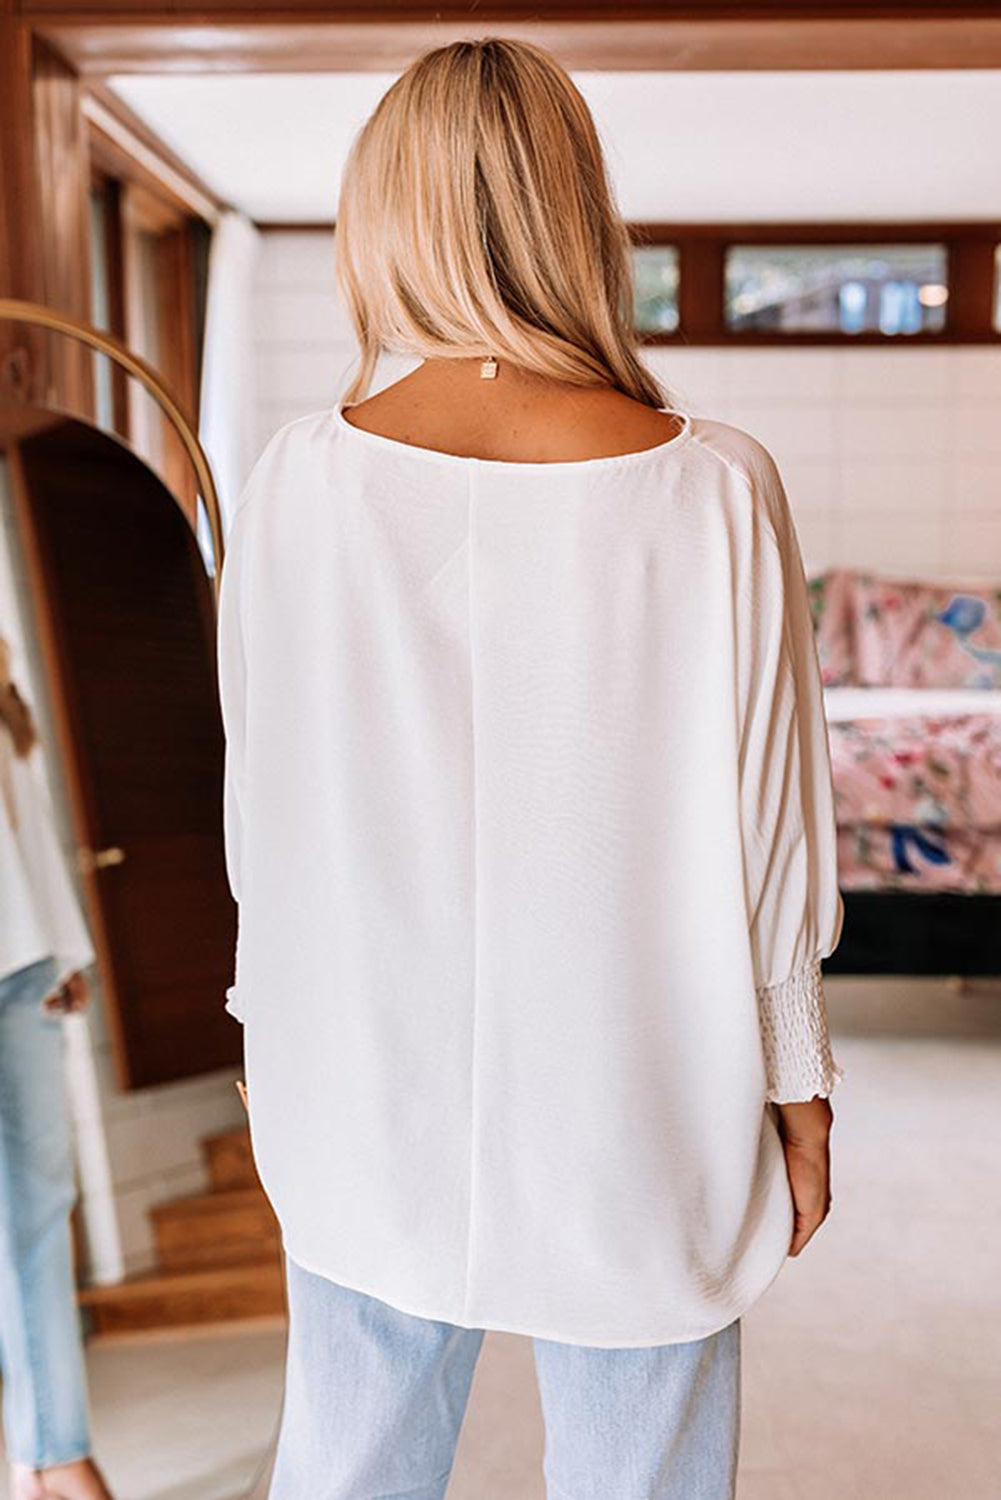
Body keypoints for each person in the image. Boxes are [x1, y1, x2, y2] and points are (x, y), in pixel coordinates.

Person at [216, 36, 844, 1500]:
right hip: (644, 1080)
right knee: (644, 1467)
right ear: (579, 216)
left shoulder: (298, 480)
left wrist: (265, 1036)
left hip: (359, 1061)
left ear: (384, 221)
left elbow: (267, 821)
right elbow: (770, 845)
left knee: (351, 1461)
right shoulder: (714, 486)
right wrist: (797, 1087)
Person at [0, 636, 114, 1500]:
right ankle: (46, 1455)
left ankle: (47, 1451)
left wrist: (63, 945)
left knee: (39, 1214)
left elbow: (22, 813)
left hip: (23, 963)